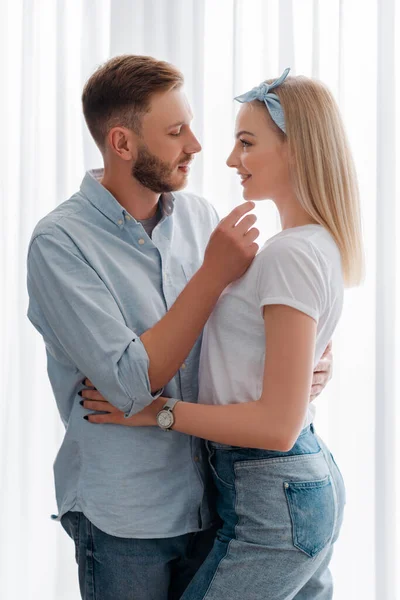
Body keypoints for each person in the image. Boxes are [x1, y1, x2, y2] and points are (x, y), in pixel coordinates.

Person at [27, 56, 333, 600]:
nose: (196, 145)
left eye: (189, 125)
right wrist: (213, 274)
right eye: (175, 132)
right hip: (128, 520)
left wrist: (305, 363)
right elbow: (128, 385)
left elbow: (240, 331)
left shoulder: (198, 215)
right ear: (121, 144)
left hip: (217, 497)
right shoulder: (59, 244)